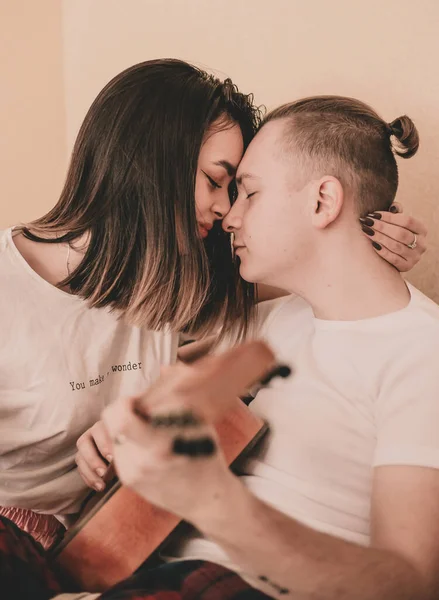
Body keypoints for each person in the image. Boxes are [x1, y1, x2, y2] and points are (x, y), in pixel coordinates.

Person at [0, 59, 422, 550]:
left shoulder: (179, 282)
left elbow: (317, 268)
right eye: (215, 182)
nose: (226, 211)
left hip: (105, 541)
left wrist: (373, 237)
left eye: (241, 191)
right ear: (148, 163)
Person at [96, 96, 439, 599]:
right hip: (140, 570)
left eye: (249, 194)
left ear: (322, 201)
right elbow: (164, 373)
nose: (230, 218)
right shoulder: (278, 321)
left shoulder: (421, 352)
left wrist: (214, 500)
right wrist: (116, 435)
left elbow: (412, 584)